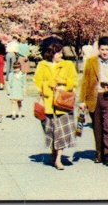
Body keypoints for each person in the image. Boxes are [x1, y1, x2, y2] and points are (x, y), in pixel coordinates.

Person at [79, 36, 108, 167]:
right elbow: (85, 82)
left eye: (107, 49)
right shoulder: (91, 62)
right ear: (98, 49)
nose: (104, 52)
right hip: (95, 97)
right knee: (97, 126)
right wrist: (82, 100)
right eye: (102, 49)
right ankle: (99, 152)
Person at [34, 40, 78, 170]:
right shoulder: (42, 65)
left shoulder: (68, 65)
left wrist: (63, 84)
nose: (61, 55)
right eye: (58, 53)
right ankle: (54, 154)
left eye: (61, 52)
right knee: (51, 131)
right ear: (51, 53)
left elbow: (74, 81)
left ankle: (59, 159)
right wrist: (47, 88)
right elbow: (37, 81)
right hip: (48, 103)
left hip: (63, 103)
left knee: (61, 132)